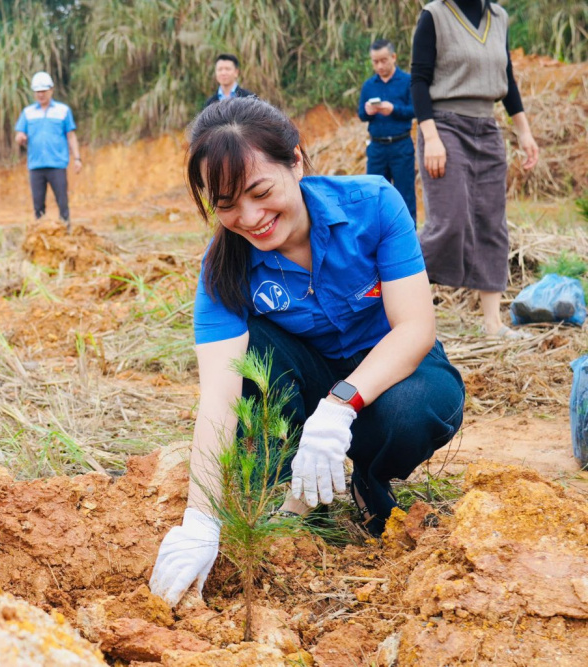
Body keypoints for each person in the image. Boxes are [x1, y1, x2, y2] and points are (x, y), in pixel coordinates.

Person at [148, 97, 465, 607]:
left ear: (296, 161)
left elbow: (414, 329)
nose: (249, 218)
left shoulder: (373, 205)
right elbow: (220, 399)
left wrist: (339, 406)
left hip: (390, 375)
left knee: (415, 410)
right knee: (251, 355)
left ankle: (367, 477)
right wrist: (199, 520)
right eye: (226, 205)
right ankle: (293, 501)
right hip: (304, 377)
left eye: (260, 191)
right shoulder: (222, 271)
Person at [411, 0, 539, 339]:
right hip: (444, 126)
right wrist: (431, 137)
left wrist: (524, 131)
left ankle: (493, 324)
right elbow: (419, 81)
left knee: (491, 223)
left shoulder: (499, 17)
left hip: (487, 127)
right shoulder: (434, 15)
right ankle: (399, 300)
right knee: (450, 221)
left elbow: (507, 77)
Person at [14, 71, 82, 231]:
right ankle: (40, 236)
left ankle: (66, 233)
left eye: (44, 91)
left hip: (57, 164)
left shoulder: (63, 111)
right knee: (38, 206)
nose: (41, 94)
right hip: (36, 165)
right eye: (38, 91)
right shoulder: (28, 113)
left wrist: (77, 158)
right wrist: (20, 137)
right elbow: (19, 134)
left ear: (51, 90)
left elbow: (71, 136)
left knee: (62, 203)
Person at [358, 39, 416, 222]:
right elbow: (361, 114)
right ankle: (377, 236)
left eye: (383, 60)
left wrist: (393, 109)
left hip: (401, 145)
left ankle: (409, 237)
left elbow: (415, 110)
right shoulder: (369, 85)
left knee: (405, 194)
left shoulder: (407, 81)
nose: (380, 65)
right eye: (375, 62)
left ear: (393, 57)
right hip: (377, 147)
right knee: (374, 194)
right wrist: (367, 112)